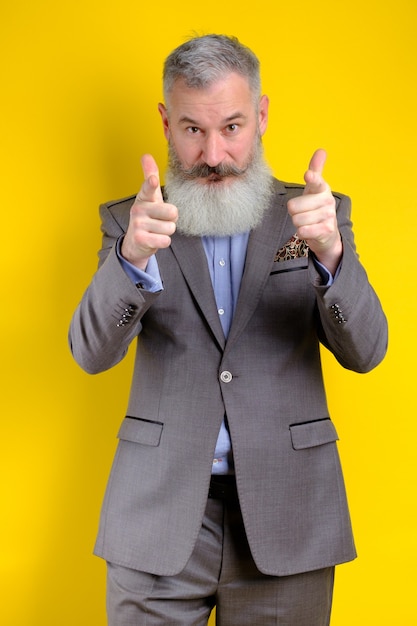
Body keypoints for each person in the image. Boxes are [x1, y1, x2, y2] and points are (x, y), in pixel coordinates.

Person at [69, 34, 388, 626]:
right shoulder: (130, 221)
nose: (214, 154)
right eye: (193, 130)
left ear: (262, 115)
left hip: (288, 516)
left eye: (233, 127)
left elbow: (367, 351)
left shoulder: (317, 214)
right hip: (157, 520)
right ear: (166, 122)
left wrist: (332, 255)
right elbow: (89, 353)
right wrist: (132, 260)